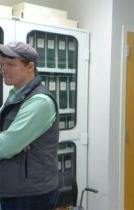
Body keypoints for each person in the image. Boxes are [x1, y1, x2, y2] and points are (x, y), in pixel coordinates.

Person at [0, 41, 59, 210]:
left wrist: (11, 140)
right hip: (15, 189)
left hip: (32, 195)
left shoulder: (40, 101)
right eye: (2, 64)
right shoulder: (15, 95)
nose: (3, 69)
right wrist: (14, 139)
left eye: (11, 64)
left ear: (30, 66)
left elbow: (6, 146)